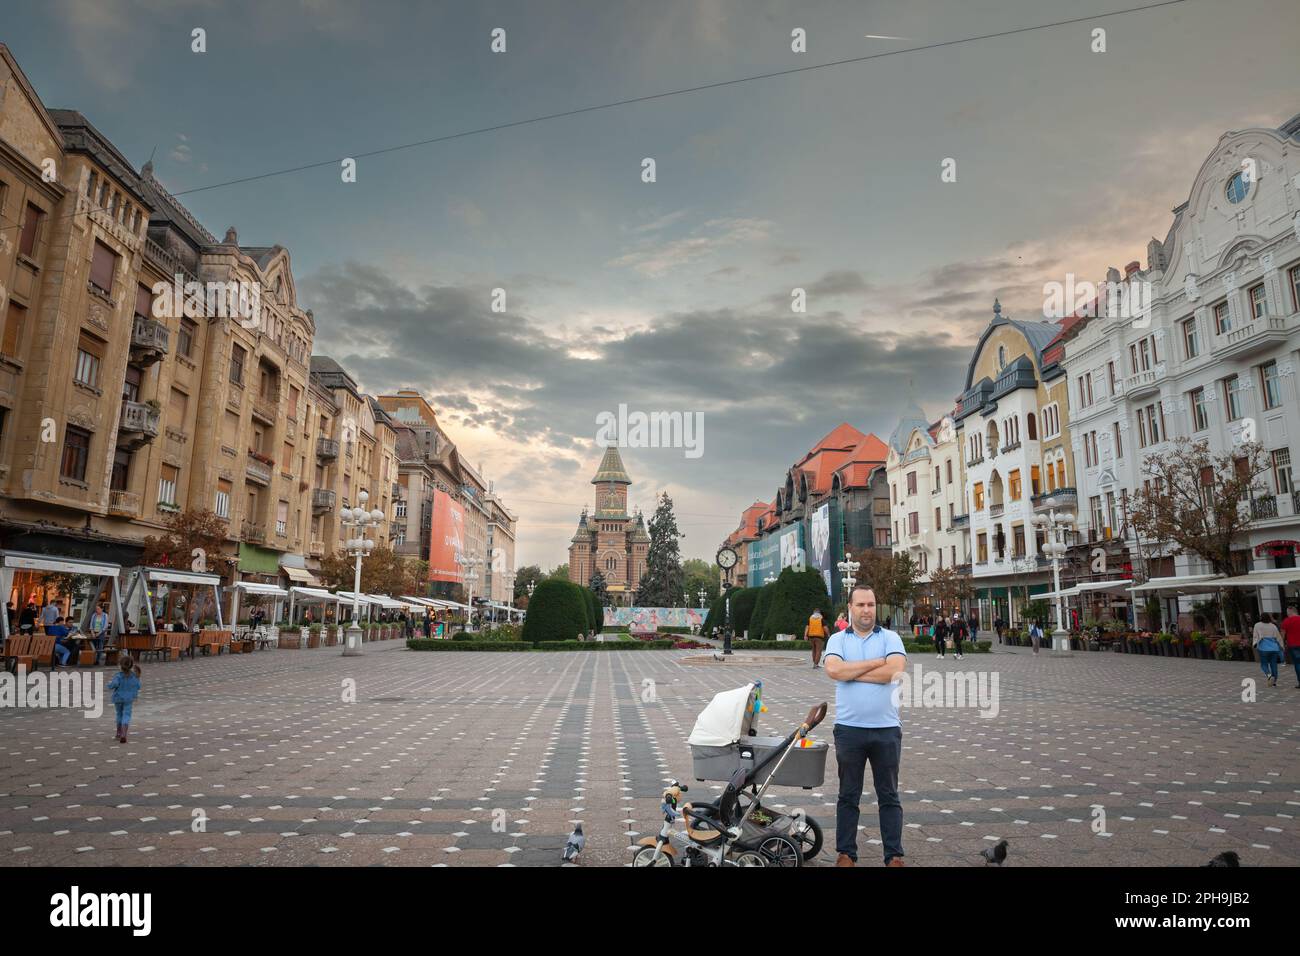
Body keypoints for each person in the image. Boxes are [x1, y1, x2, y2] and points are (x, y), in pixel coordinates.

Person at [823, 584, 908, 868]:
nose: (866, 610)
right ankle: (846, 853)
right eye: (860, 605)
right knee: (848, 794)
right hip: (849, 730)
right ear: (850, 608)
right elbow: (834, 670)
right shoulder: (837, 639)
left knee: (889, 795)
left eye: (870, 604)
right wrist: (875, 663)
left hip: (886, 729)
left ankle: (893, 855)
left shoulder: (891, 637)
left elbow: (895, 672)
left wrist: (853, 671)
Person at [108, 654, 142, 744]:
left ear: (120, 665)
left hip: (118, 698)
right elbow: (138, 686)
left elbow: (114, 685)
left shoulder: (118, 676)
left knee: (119, 714)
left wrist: (108, 685)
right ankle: (124, 733)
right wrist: (138, 677)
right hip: (129, 699)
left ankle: (118, 733)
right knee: (126, 715)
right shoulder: (134, 676)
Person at [1252, 612, 1284, 687]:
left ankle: (1269, 676)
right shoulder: (1273, 626)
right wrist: (1282, 646)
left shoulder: (1257, 625)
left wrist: (1255, 644)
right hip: (1274, 648)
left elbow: (1255, 636)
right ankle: (1274, 681)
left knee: (1264, 664)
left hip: (1263, 647)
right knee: (1274, 665)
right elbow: (1278, 637)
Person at [1280, 605, 1300, 688]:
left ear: (1289, 612)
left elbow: (1282, 635)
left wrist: (1282, 645)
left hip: (1293, 645)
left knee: (1298, 663)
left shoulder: (1286, 621)